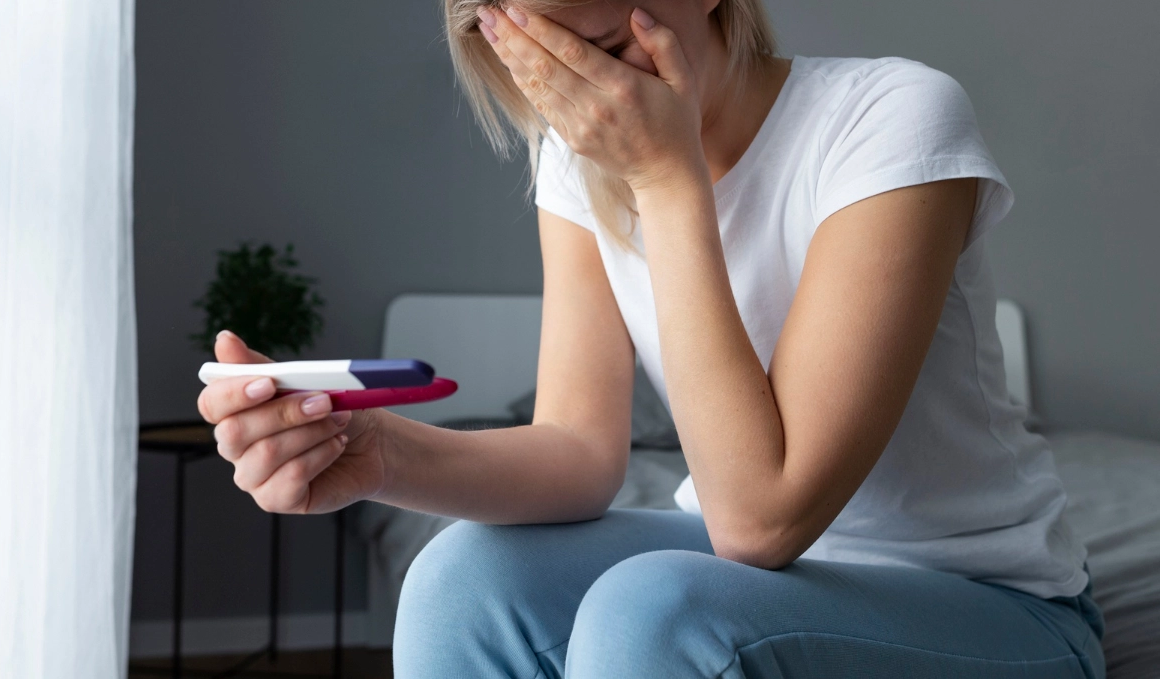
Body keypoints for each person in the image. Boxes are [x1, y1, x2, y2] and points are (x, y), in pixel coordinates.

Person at [196, 1, 1106, 676]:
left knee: (654, 608)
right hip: (764, 575)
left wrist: (669, 183)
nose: (584, 97)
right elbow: (577, 454)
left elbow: (760, 518)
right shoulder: (573, 158)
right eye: (539, 58)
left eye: (600, 49)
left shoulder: (892, 117)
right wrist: (376, 450)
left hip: (996, 606)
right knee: (459, 574)